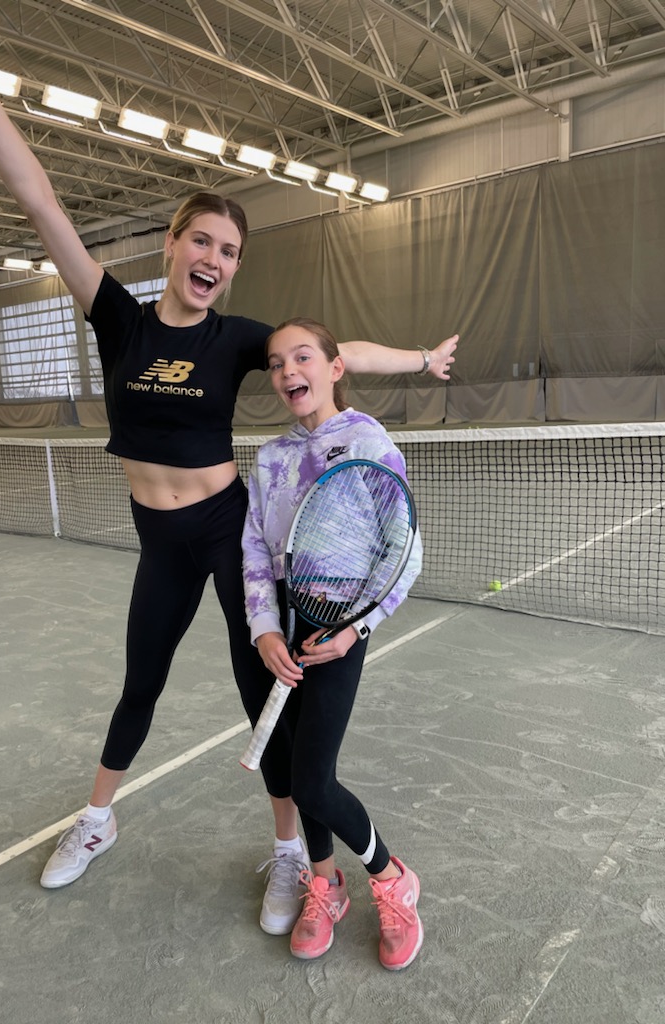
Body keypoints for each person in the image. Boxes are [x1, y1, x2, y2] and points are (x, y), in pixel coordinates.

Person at [0, 4, 457, 935]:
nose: (215, 258)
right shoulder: (116, 318)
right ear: (171, 247)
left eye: (230, 251)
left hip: (227, 525)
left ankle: (294, 855)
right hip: (157, 537)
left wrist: (417, 360)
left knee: (261, 690)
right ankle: (97, 820)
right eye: (201, 241)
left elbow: (328, 351)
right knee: (141, 682)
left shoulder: (237, 338)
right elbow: (40, 199)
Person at [241, 317, 423, 969]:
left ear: (334, 367)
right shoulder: (269, 459)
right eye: (276, 363)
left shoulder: (369, 443)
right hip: (284, 630)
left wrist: (356, 629)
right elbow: (256, 550)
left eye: (302, 357)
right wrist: (264, 627)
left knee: (312, 781)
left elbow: (403, 550)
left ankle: (388, 875)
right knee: (291, 773)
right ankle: (327, 882)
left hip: (343, 624)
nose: (289, 371)